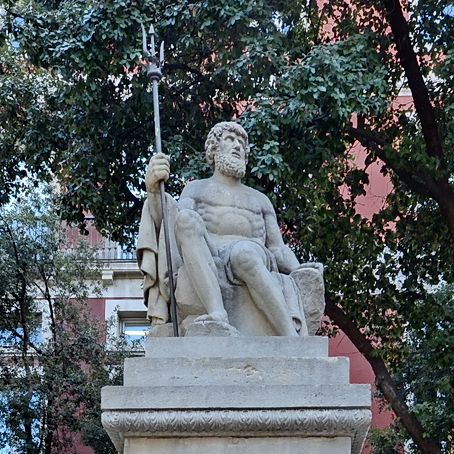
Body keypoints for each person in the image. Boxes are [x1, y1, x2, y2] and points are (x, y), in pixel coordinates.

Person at [138, 121, 323, 336]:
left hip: (251, 254)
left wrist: (300, 270)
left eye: (242, 143)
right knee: (186, 218)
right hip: (212, 254)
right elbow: (174, 228)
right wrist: (153, 190)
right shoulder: (196, 188)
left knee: (242, 253)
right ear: (214, 149)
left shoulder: (259, 200)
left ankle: (291, 337)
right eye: (230, 139)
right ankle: (217, 313)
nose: (238, 146)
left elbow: (278, 249)